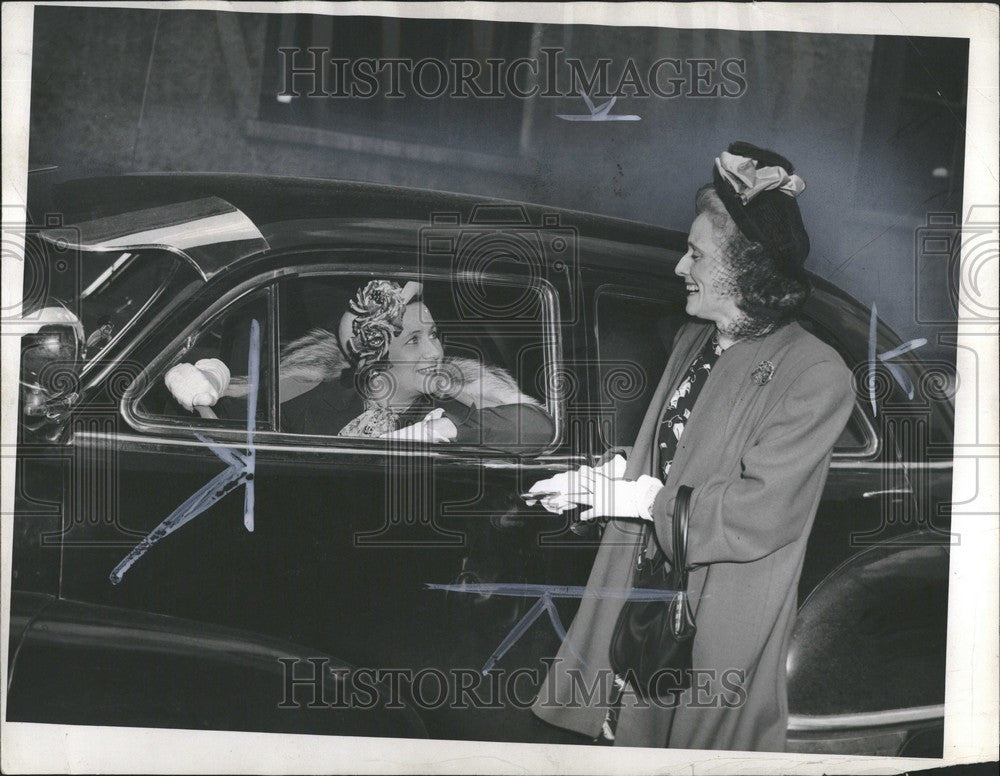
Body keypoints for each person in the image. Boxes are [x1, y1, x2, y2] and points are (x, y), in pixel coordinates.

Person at [525, 142, 854, 751]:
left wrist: (644, 500)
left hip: (713, 613)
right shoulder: (696, 337)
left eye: (696, 254)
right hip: (646, 594)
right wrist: (605, 480)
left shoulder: (815, 372)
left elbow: (761, 513)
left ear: (746, 267)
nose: (681, 267)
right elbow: (673, 453)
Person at [164, 279, 553, 447]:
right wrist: (208, 380)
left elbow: (539, 426)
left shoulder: (448, 410)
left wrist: (441, 432)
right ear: (377, 357)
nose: (435, 352)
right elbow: (234, 418)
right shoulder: (317, 403)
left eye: (434, 334)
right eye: (414, 340)